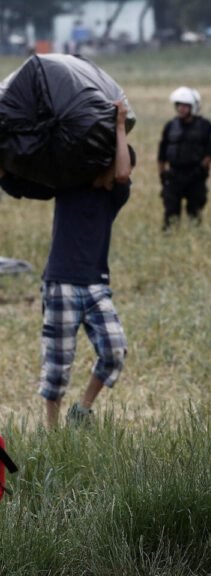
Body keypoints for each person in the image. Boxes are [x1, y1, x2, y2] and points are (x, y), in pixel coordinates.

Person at [0, 101, 135, 429]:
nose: (111, 169)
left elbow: (122, 172)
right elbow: (23, 183)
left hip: (96, 285)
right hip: (60, 283)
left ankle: (82, 409)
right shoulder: (67, 188)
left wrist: (118, 127)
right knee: (57, 365)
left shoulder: (115, 196)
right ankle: (52, 430)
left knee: (115, 351)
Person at [157, 86, 211, 230]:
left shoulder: (205, 126)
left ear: (193, 107)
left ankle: (195, 240)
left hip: (195, 176)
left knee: (195, 213)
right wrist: (162, 174)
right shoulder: (170, 126)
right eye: (178, 105)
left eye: (185, 105)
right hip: (174, 176)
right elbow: (161, 153)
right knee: (170, 214)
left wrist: (201, 169)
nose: (181, 108)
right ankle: (169, 239)